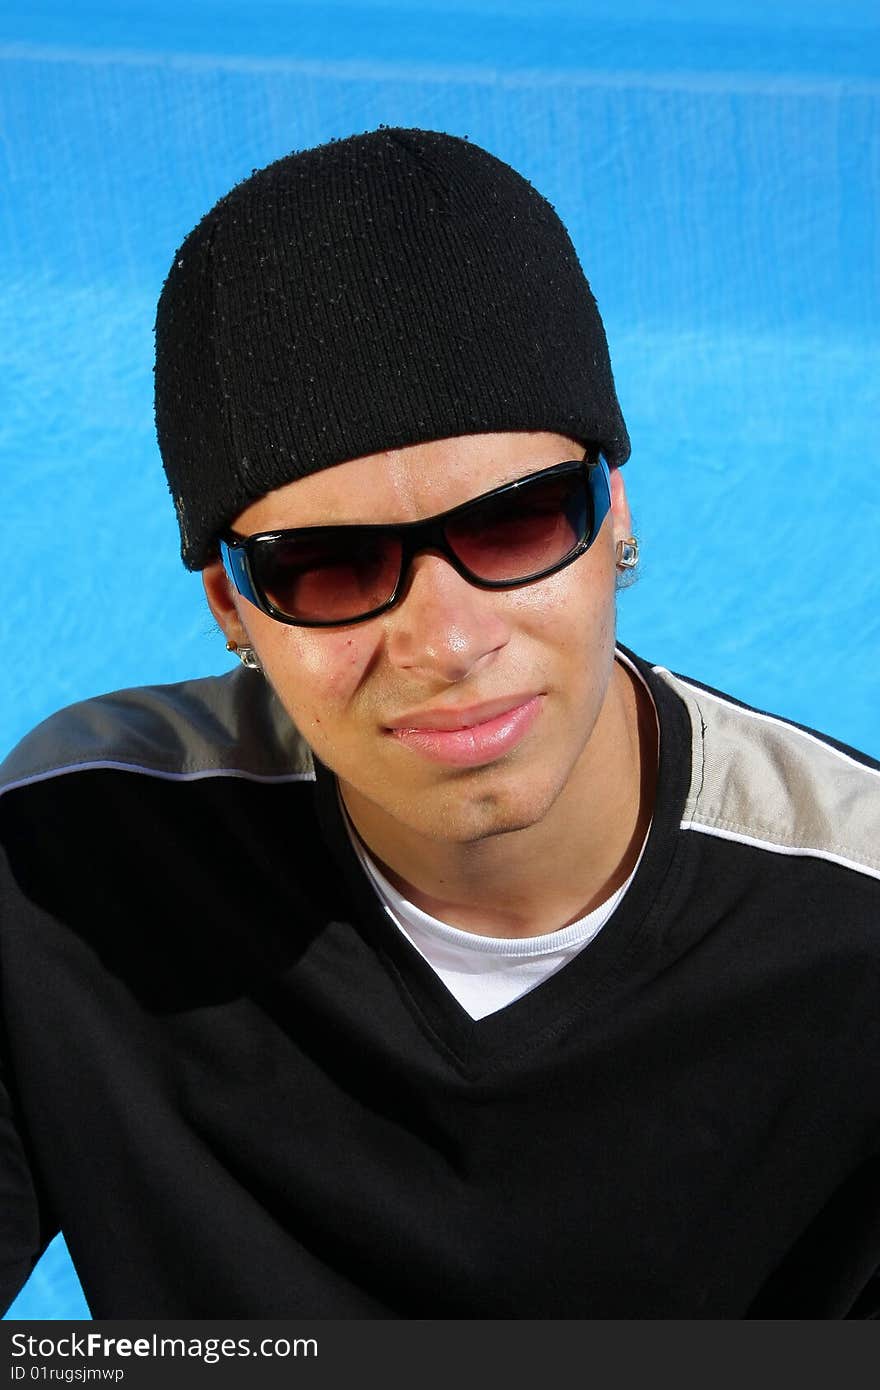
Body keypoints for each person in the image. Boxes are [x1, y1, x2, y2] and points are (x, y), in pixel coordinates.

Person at [0, 126, 877, 1321]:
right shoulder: (77, 865)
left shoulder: (853, 925)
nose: (447, 643)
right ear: (230, 607)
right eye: (326, 566)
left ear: (614, 511)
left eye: (513, 525)